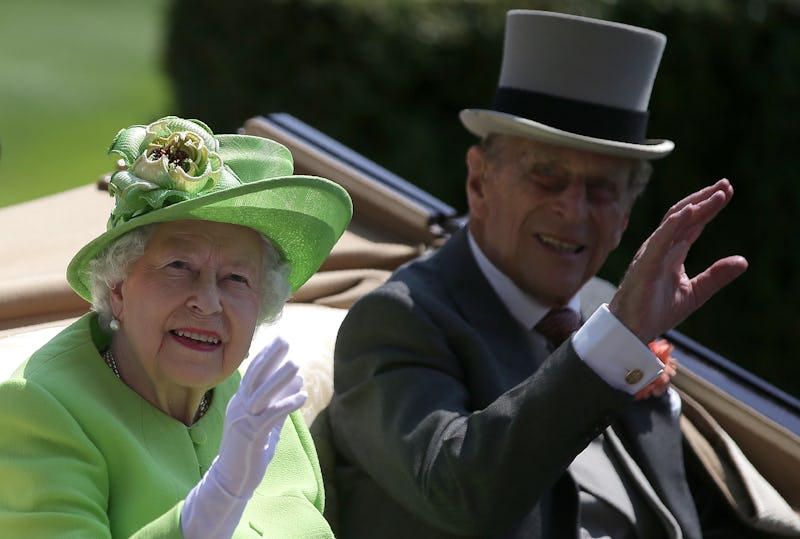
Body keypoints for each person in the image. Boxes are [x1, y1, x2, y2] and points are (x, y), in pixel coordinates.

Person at [322, 10, 754, 539]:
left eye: (602, 190)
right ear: (479, 182)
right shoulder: (401, 321)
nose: (573, 212)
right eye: (546, 174)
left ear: (625, 215)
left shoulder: (607, 310)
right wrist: (611, 344)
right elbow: (460, 493)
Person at [0, 116, 352, 537]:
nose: (207, 301)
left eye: (237, 279)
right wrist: (213, 505)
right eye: (178, 266)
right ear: (118, 288)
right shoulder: (40, 410)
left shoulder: (263, 408)